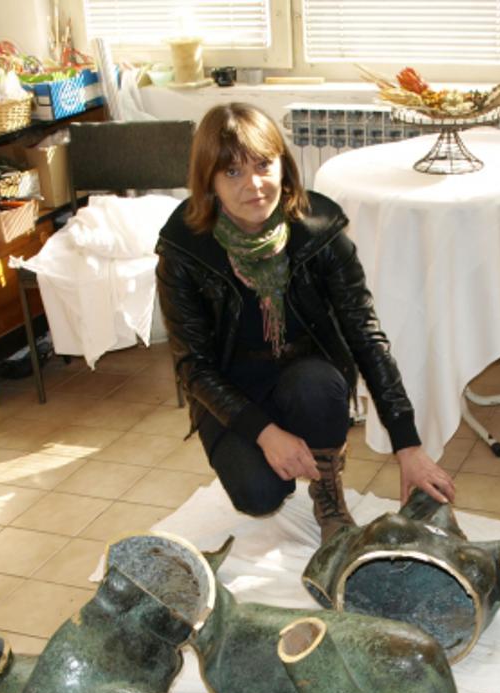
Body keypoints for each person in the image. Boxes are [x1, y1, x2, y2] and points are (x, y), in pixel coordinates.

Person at [155, 103, 455, 540]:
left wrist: (408, 445)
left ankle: (327, 485)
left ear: (284, 166)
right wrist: (265, 433)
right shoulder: (183, 250)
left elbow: (365, 335)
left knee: (317, 385)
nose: (254, 185)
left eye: (263, 165)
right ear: (210, 182)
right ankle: (279, 448)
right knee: (259, 495)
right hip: (230, 388)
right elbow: (193, 367)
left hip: (307, 377)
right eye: (233, 172)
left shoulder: (320, 230)